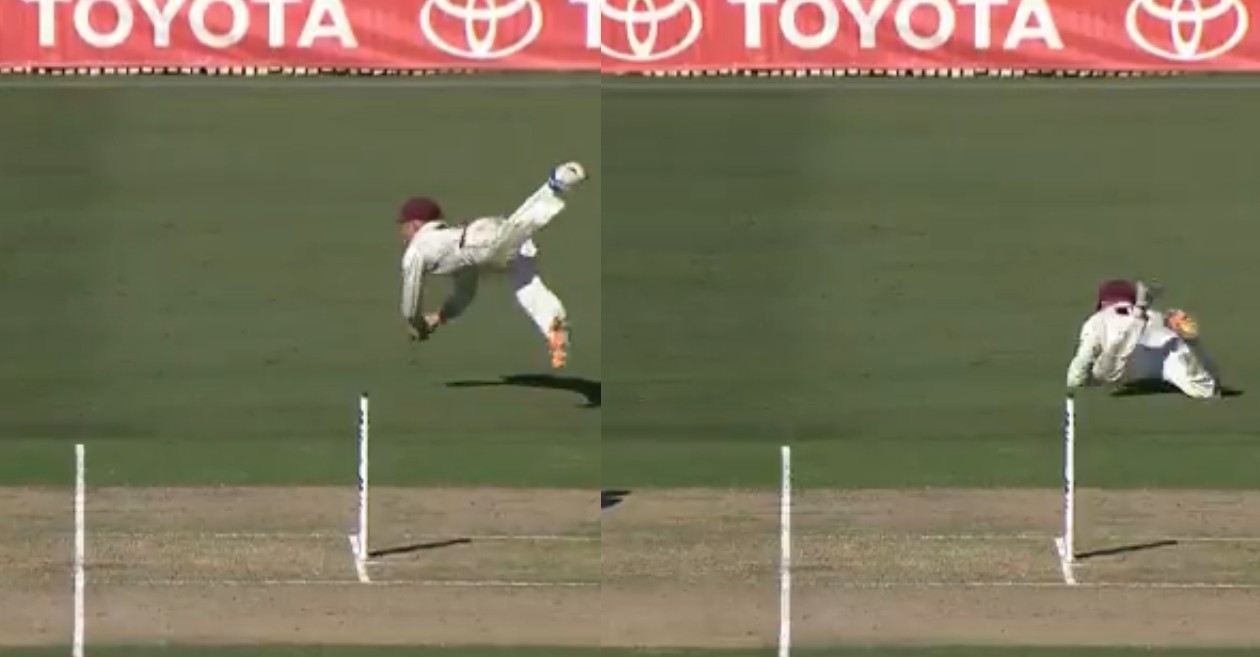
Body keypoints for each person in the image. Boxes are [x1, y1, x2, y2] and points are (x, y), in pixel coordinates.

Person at [398, 162, 586, 369]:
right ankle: (553, 328)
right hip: (487, 250)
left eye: (403, 226)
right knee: (526, 285)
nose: (402, 233)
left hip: (482, 239)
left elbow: (411, 299)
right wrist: (442, 316)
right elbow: (465, 292)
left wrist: (416, 324)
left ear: (414, 224)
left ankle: (556, 184)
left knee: (516, 228)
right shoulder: (449, 249)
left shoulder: (418, 248)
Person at [1066, 279, 1221, 399]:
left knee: (1106, 368)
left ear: (1103, 302)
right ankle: (1192, 346)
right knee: (1204, 389)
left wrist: (1075, 381)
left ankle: (1138, 317)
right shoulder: (1155, 315)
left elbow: (1085, 355)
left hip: (1123, 361)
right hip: (1164, 352)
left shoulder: (1097, 319)